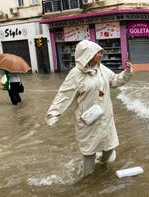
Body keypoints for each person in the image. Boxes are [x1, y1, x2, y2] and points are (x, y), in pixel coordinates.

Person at [46, 40, 133, 177]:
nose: (100, 55)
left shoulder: (102, 69)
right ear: (87, 54)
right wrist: (54, 113)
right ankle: (87, 181)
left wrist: (126, 72)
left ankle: (102, 166)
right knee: (89, 152)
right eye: (97, 52)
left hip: (105, 117)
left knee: (109, 148)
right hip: (88, 121)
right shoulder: (76, 74)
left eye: (100, 52)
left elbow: (115, 81)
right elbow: (64, 94)